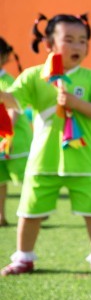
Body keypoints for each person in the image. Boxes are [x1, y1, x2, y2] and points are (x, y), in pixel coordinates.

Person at [0, 14, 91, 275]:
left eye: (82, 41)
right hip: (44, 158)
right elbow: (13, 100)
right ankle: (24, 257)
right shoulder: (34, 77)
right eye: (69, 40)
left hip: (83, 158)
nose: (77, 46)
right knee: (29, 211)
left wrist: (77, 104)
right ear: (49, 45)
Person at [0, 37, 32, 227]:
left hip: (15, 141)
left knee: (25, 178)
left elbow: (15, 108)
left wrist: (7, 135)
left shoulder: (8, 81)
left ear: (4, 57)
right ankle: (1, 215)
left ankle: (34, 211)